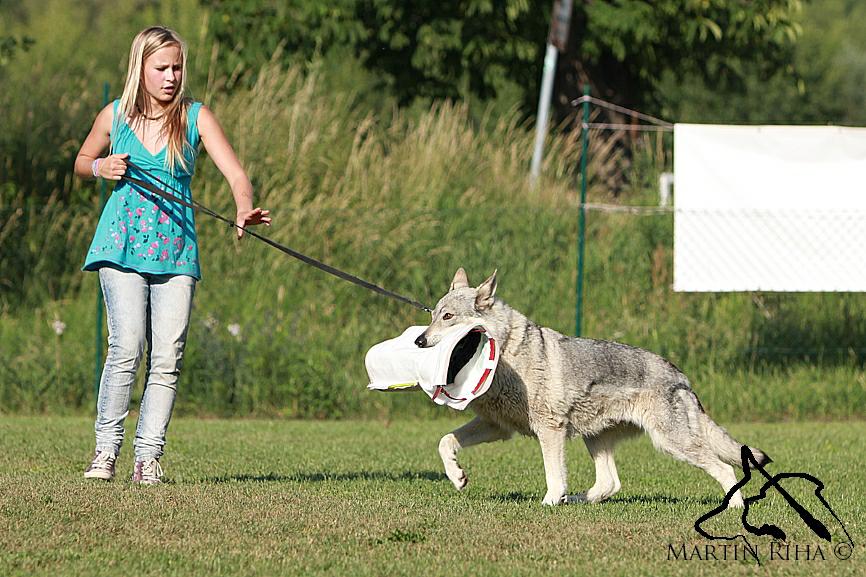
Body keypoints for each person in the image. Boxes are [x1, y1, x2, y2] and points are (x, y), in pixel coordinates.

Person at [74, 25, 271, 484]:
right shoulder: (115, 116)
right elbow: (82, 161)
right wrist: (102, 166)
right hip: (119, 245)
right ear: (139, 68)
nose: (170, 76)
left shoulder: (196, 117)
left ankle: (147, 459)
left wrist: (244, 207)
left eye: (177, 67)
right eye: (161, 67)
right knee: (126, 348)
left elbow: (236, 175)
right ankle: (105, 453)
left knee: (167, 356)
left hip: (177, 252)